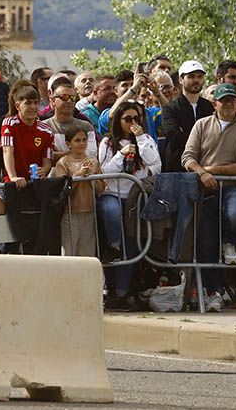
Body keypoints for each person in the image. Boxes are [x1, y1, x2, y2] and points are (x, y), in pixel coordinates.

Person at [181, 84, 236, 312]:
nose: (228, 104)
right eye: (223, 100)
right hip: (204, 190)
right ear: (215, 103)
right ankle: (213, 292)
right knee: (206, 242)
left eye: (232, 100)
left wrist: (211, 170)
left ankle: (230, 242)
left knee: (235, 216)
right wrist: (202, 173)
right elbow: (188, 157)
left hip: (232, 187)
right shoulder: (201, 125)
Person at [97, 101, 161, 310]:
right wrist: (121, 154)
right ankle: (114, 245)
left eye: (137, 118)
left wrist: (141, 138)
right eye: (128, 119)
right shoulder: (108, 142)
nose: (133, 123)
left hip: (136, 196)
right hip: (113, 193)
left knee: (132, 244)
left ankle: (123, 292)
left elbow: (156, 164)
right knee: (111, 211)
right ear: (119, 121)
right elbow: (104, 171)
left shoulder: (147, 139)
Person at [50, 125, 104, 257]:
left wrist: (92, 178)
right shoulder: (63, 163)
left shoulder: (93, 162)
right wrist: (78, 176)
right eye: (77, 140)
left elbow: (101, 189)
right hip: (69, 214)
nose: (82, 143)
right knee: (69, 252)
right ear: (68, 144)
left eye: (84, 140)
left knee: (87, 252)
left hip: (89, 212)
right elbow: (62, 190)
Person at [160, 60, 214, 173]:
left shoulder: (210, 107)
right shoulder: (170, 109)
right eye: (191, 76)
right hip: (177, 170)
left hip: (207, 167)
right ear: (181, 80)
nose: (196, 80)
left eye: (200, 76)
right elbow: (174, 137)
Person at [0, 84, 54, 189]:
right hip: (14, 184)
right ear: (17, 106)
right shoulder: (9, 123)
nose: (33, 107)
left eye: (36, 103)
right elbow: (7, 151)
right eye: (28, 103)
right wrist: (13, 177)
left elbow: (47, 161)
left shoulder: (47, 131)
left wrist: (43, 170)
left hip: (37, 184)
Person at [45, 79, 96, 159]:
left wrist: (58, 155)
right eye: (64, 97)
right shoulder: (44, 127)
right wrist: (77, 152)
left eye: (72, 98)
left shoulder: (86, 126)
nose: (69, 101)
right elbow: (42, 158)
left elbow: (90, 156)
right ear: (53, 100)